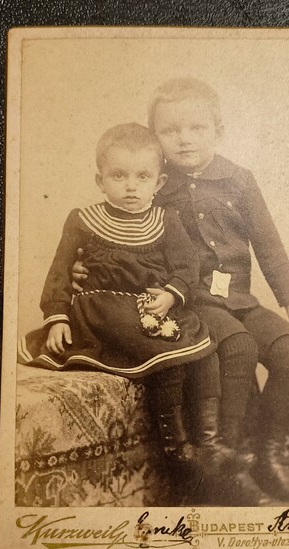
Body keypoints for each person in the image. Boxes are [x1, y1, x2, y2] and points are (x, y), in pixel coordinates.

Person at [18, 123, 245, 491]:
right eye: (118, 175)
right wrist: (56, 318)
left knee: (201, 345)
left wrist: (171, 294)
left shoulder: (166, 221)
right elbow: (59, 272)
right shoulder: (83, 220)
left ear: (158, 183)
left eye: (143, 177)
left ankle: (209, 441)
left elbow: (187, 267)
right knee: (166, 352)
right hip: (102, 311)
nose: (130, 186)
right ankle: (176, 448)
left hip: (151, 308)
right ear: (100, 180)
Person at [146, 77, 289, 502]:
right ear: (156, 137)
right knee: (237, 344)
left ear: (218, 131)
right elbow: (128, 240)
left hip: (241, 299)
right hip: (193, 304)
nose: (184, 139)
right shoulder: (153, 186)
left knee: (288, 349)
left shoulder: (239, 180)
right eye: (170, 130)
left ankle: (268, 456)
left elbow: (269, 246)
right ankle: (226, 461)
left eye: (196, 128)